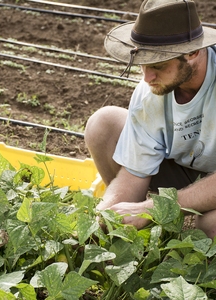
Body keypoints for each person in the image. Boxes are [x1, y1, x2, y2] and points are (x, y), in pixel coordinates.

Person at [84, 0, 216, 238]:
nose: (147, 77)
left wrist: (154, 207)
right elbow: (135, 172)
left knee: (212, 225)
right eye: (142, 64)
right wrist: (105, 217)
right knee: (103, 124)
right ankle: (139, 224)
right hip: (188, 169)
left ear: (193, 52)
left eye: (158, 65)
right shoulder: (151, 91)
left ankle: (181, 219)